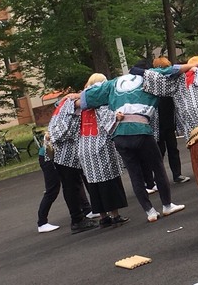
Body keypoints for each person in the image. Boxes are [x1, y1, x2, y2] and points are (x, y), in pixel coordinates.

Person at [74, 61, 186, 223]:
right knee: (158, 167)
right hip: (141, 129)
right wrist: (193, 66)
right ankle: (167, 205)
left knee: (135, 174)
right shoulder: (148, 79)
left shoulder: (112, 85)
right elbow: (172, 71)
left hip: (120, 136)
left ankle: (150, 212)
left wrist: (74, 97)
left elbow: (84, 99)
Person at [77, 73, 129, 228]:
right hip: (100, 146)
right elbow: (108, 122)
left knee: (94, 185)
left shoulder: (81, 103)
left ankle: (103, 217)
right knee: (109, 181)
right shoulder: (100, 100)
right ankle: (115, 215)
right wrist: (118, 117)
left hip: (84, 146)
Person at [48, 98, 99, 234]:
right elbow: (62, 133)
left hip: (62, 157)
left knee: (71, 187)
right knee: (71, 187)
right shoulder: (69, 113)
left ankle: (78, 218)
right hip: (66, 157)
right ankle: (77, 220)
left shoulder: (61, 110)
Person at [152, 57, 191, 184]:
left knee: (171, 150)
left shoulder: (172, 80)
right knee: (162, 151)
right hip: (160, 123)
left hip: (167, 122)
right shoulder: (154, 83)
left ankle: (175, 174)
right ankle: (161, 177)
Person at [36, 134, 61, 233]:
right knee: (52, 190)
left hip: (53, 155)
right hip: (48, 157)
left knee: (73, 183)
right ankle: (42, 222)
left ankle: (86, 209)